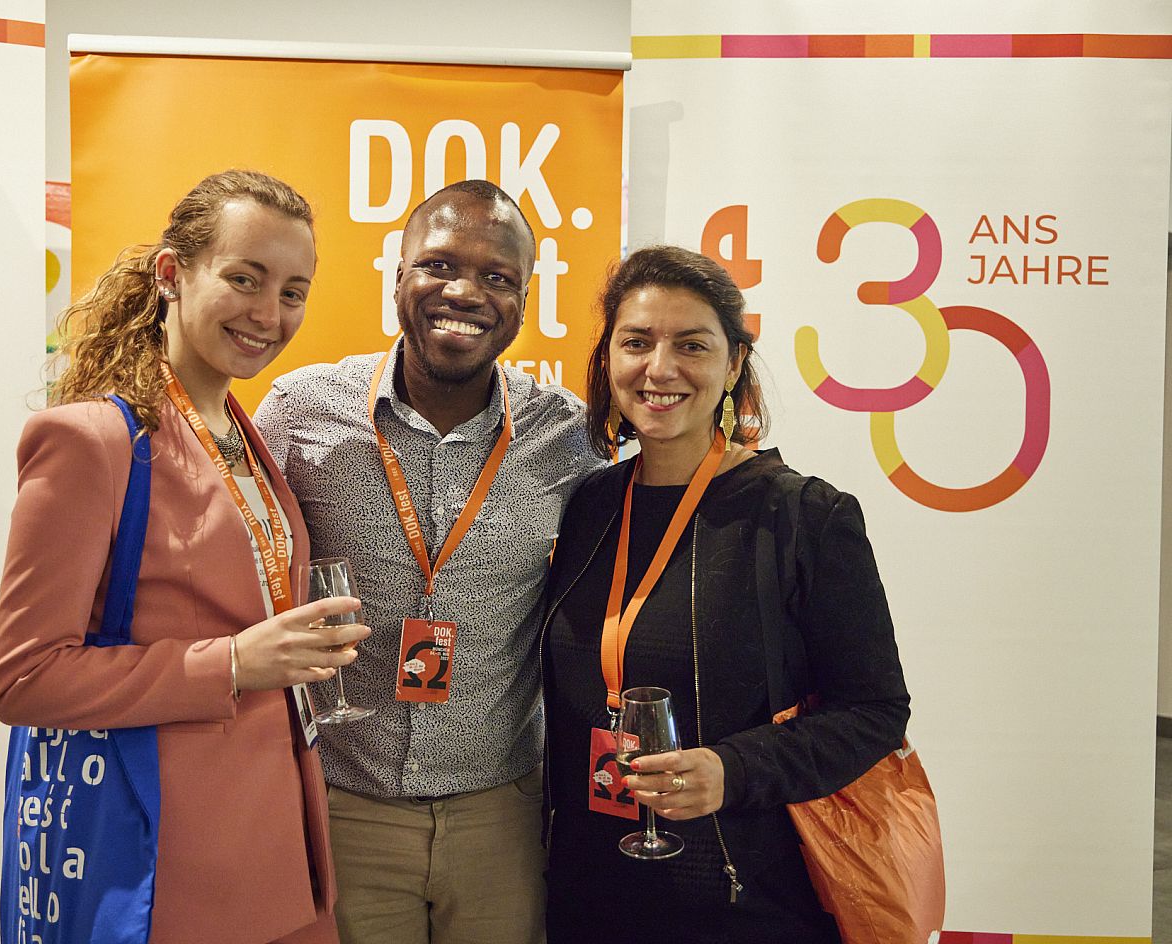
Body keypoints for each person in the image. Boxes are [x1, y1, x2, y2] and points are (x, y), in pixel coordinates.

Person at [0, 170, 369, 944]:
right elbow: (23, 677)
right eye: (244, 279)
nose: (270, 314)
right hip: (168, 864)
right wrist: (231, 664)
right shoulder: (92, 439)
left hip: (285, 847)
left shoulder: (246, 434)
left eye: (293, 292)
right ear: (172, 273)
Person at [255, 180, 605, 944]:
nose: (464, 292)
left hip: (500, 818)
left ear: (523, 300)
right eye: (439, 265)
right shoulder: (299, 411)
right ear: (398, 277)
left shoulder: (570, 439)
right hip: (345, 804)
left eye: (497, 276)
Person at [541, 246, 911, 942]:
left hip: (743, 902)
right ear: (608, 358)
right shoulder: (589, 504)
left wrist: (731, 769)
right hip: (588, 897)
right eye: (636, 343)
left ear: (735, 363)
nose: (659, 369)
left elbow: (875, 711)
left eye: (692, 345)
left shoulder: (801, 515)